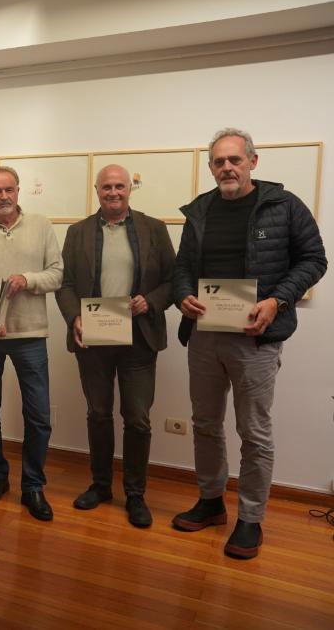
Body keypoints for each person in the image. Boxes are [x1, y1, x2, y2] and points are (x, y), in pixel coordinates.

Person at [171, 128, 326, 559]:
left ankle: (251, 518)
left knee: (254, 432)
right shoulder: (200, 210)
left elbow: (315, 259)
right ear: (211, 167)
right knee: (205, 423)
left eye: (234, 160)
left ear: (252, 162)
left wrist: (277, 301)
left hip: (256, 339)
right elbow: (182, 267)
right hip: (205, 335)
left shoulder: (284, 205)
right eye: (219, 161)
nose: (227, 168)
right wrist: (183, 295)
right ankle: (211, 501)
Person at [55, 164, 175, 528]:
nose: (113, 192)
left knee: (137, 418)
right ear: (97, 190)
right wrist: (74, 317)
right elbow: (65, 283)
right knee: (98, 414)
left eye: (119, 186)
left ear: (129, 189)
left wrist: (150, 301)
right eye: (106, 187)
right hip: (94, 337)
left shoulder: (154, 228)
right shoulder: (77, 232)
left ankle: (135, 494)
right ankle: (101, 485)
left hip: (139, 338)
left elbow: (172, 280)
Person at [0, 165, 63, 521]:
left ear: (18, 191)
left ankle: (33, 485)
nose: (3, 196)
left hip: (30, 334)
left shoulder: (42, 225)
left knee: (38, 414)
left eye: (9, 189)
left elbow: (57, 274)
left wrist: (28, 279)